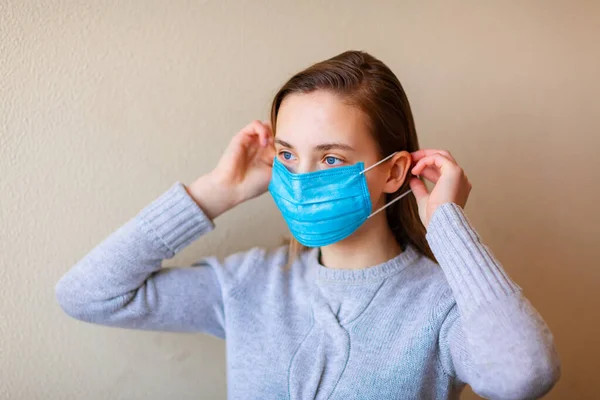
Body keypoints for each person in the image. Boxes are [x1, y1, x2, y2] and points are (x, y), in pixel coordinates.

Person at [56, 51, 560, 399]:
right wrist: (215, 193)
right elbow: (88, 295)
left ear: (393, 171)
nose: (300, 179)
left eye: (332, 159)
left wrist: (448, 226)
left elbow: (524, 375)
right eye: (287, 155)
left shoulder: (444, 305)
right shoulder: (248, 284)